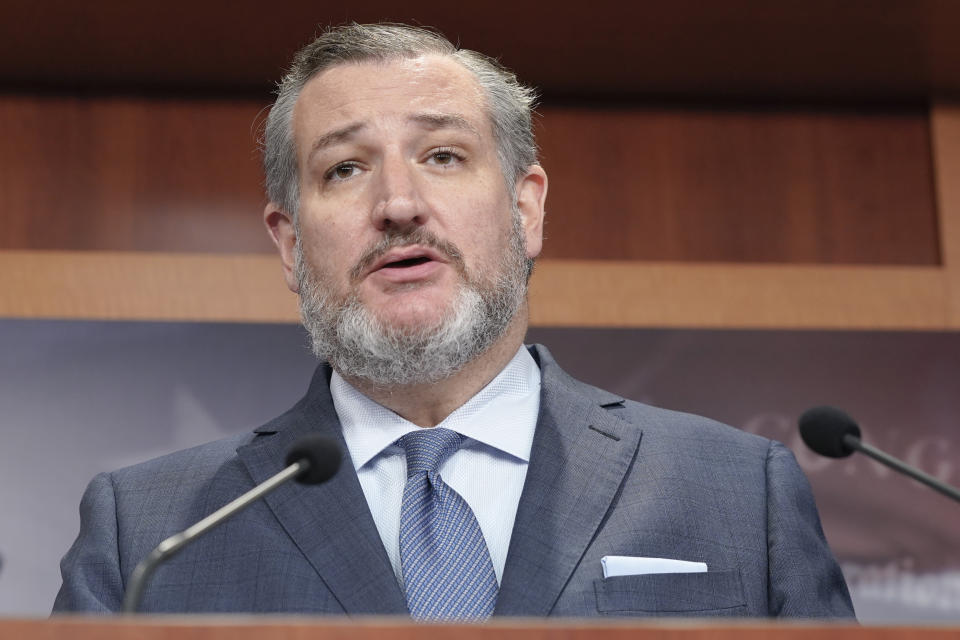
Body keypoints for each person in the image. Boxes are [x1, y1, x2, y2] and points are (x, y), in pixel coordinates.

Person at [53, 23, 854, 619]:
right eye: (345, 168)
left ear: (525, 207)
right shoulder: (151, 533)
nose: (398, 205)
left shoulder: (737, 493)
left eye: (442, 156)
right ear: (292, 245)